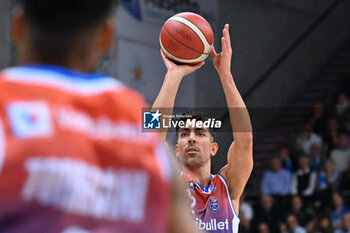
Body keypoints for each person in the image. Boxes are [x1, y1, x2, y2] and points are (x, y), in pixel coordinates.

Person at [0, 0, 199, 232]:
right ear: (106, 36)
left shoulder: (7, 104)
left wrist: (173, 77)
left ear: (17, 26)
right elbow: (154, 136)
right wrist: (173, 77)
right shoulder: (132, 115)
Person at [152, 24, 253, 232]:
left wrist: (226, 76)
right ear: (176, 150)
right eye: (184, 134)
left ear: (214, 148)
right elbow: (150, 139)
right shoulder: (171, 188)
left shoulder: (229, 186)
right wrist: (173, 75)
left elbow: (245, 141)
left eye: (199, 133)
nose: (191, 138)